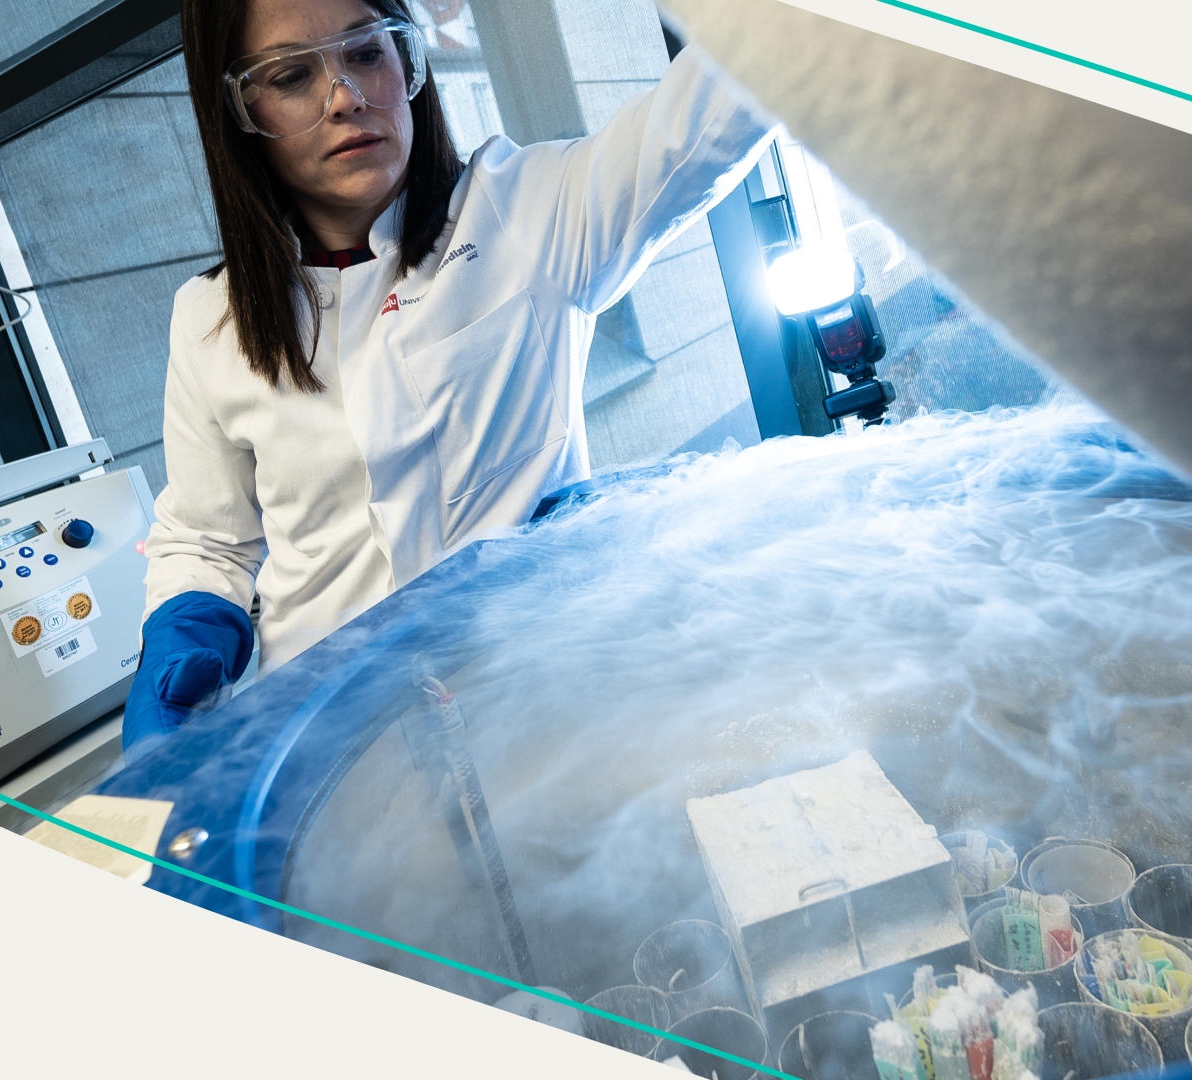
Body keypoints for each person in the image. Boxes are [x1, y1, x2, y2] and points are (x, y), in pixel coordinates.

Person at [123, 0, 774, 752]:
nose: (345, 96)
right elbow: (208, 538)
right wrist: (183, 628)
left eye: (367, 53)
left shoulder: (526, 214)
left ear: (409, 62)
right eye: (294, 75)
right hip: (318, 732)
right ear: (240, 113)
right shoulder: (211, 318)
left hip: (536, 703)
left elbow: (711, 114)